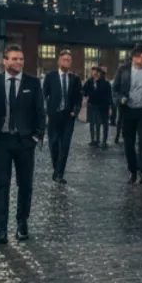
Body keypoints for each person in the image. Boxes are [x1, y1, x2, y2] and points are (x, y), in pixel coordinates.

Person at [0, 45, 45, 245]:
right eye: (15, 59)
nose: (19, 62)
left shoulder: (33, 83)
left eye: (21, 59)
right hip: (0, 141)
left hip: (25, 141)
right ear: (5, 61)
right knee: (1, 184)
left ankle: (22, 223)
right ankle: (1, 229)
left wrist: (37, 137)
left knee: (25, 184)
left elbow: (40, 112)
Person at [111, 46, 142, 184]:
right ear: (135, 58)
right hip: (127, 111)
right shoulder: (123, 70)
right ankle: (132, 171)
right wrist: (121, 99)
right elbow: (114, 90)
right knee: (129, 143)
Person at [42, 50, 83, 184]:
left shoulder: (75, 79)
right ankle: (56, 169)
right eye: (64, 59)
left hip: (68, 117)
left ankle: (59, 173)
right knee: (54, 144)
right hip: (54, 116)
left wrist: (75, 112)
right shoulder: (50, 76)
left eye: (69, 60)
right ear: (59, 61)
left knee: (65, 146)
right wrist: (46, 111)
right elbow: (44, 94)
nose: (67, 62)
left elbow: (78, 98)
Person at [83, 68, 112, 148]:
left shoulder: (105, 83)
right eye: (93, 73)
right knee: (93, 123)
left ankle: (104, 141)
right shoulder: (89, 82)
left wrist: (110, 107)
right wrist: (86, 95)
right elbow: (84, 91)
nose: (95, 74)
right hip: (92, 105)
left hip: (103, 106)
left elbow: (109, 96)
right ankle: (94, 140)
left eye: (96, 73)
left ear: (100, 74)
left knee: (104, 124)